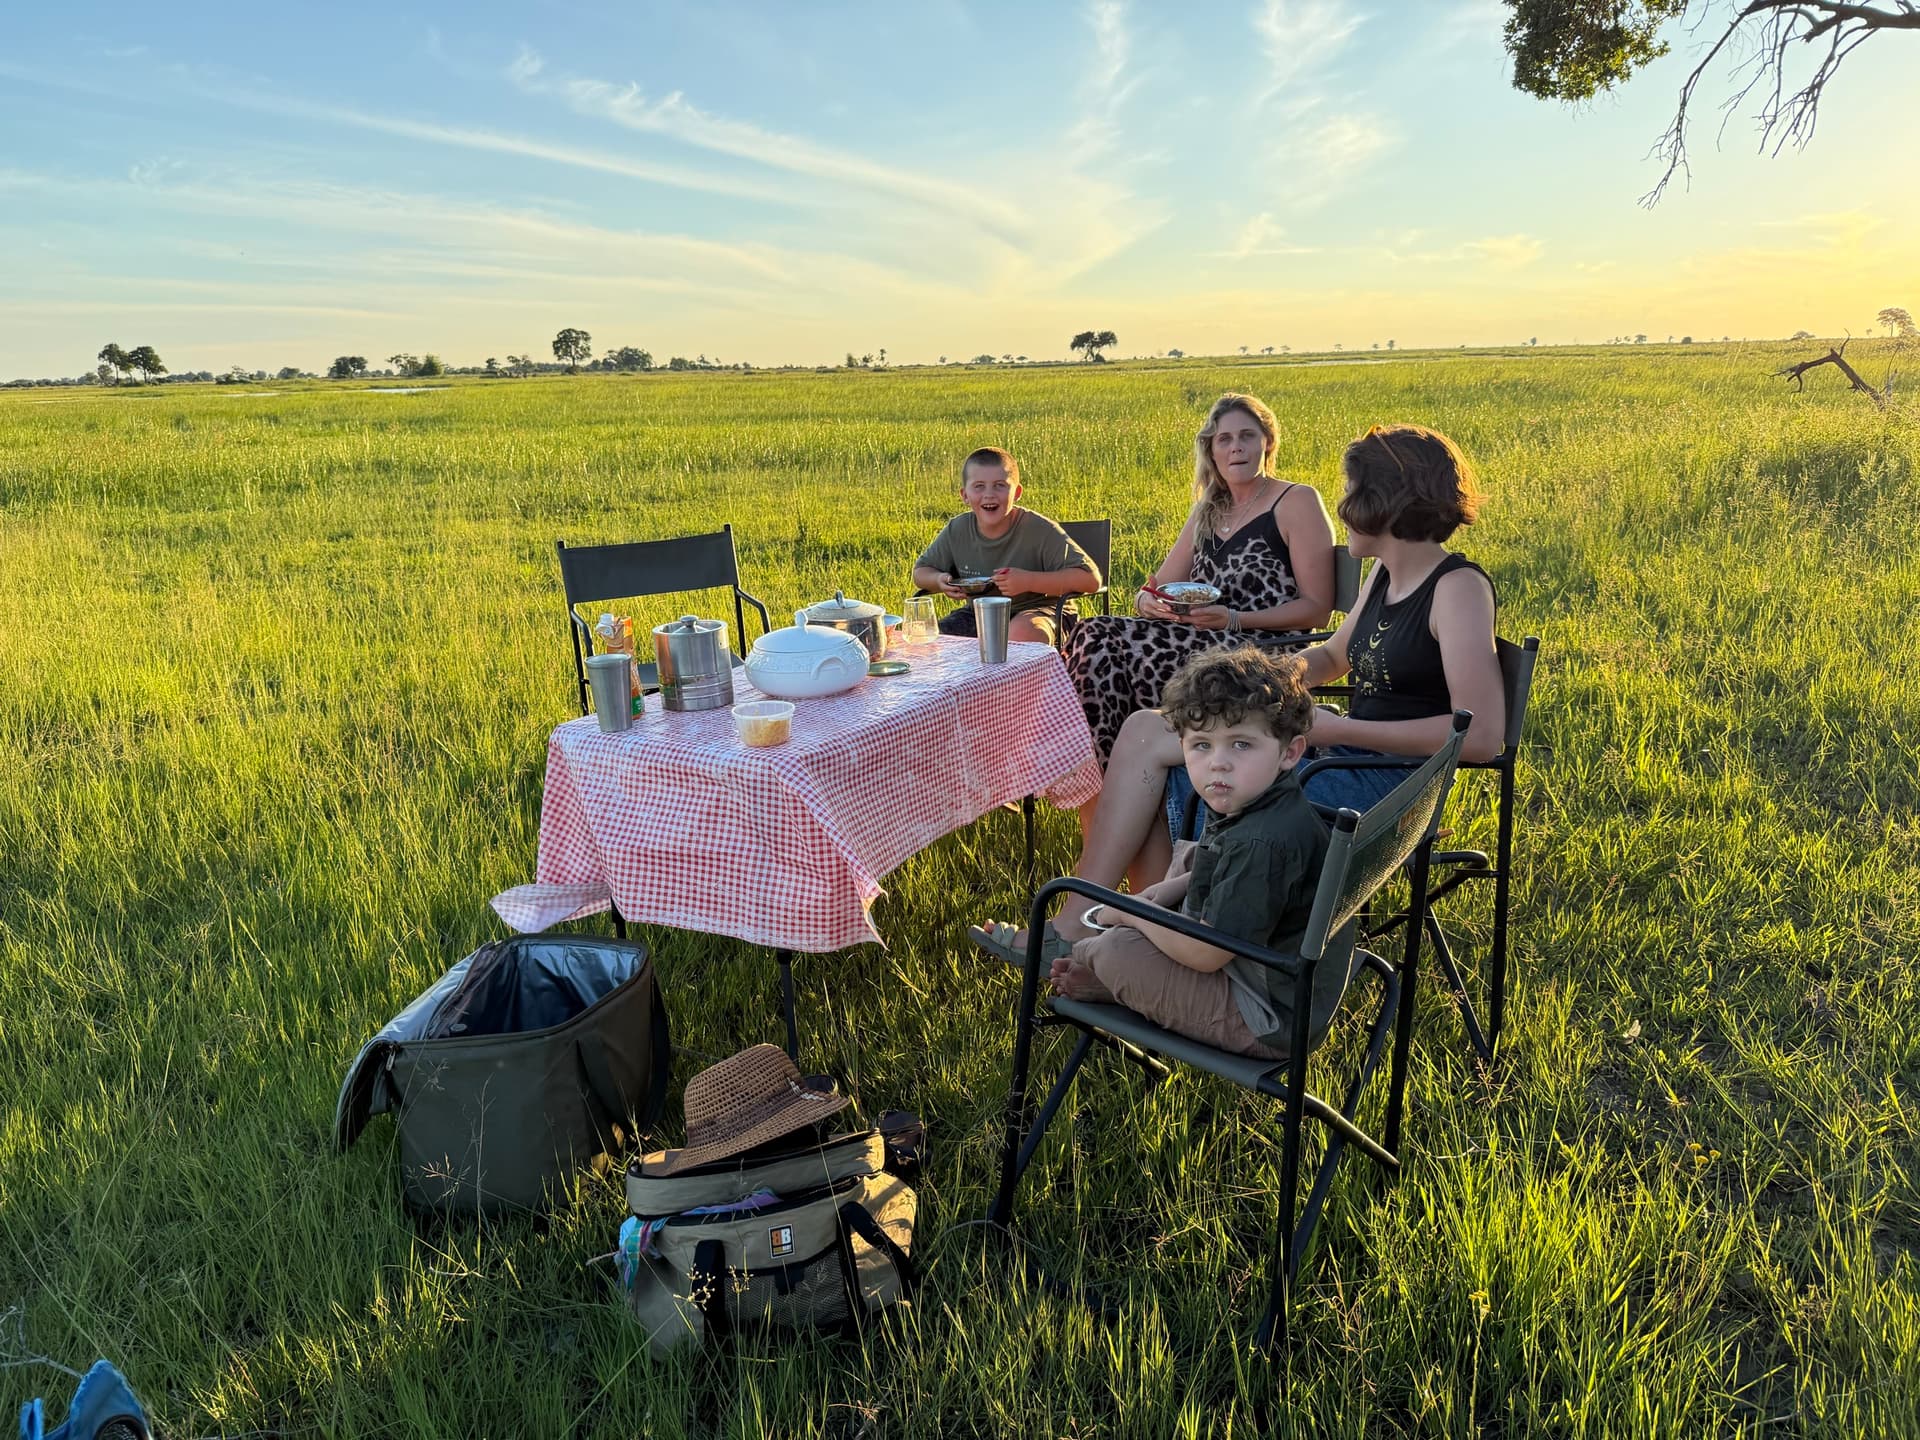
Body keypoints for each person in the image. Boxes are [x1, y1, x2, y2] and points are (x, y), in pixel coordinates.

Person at [1029, 422, 1504, 943]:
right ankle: (1114, 927)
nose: (1342, 506)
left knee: (1187, 768)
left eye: (1350, 490)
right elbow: (1331, 655)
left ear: (1383, 501)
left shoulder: (1457, 588)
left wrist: (1339, 729)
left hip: (1387, 786)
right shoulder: (1386, 576)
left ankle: (1139, 935)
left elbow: (1479, 738)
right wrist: (1259, 681)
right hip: (1342, 755)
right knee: (1146, 731)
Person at [973, 647, 1347, 1059]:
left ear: (1290, 752)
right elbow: (1222, 865)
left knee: (1111, 951)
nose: (1218, 764)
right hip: (1277, 974)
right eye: (1201, 745)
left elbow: (1207, 954)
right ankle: (1131, 970)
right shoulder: (1265, 800)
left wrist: (1130, 912)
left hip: (1266, 1017)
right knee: (1188, 863)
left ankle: (1107, 975)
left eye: (1240, 744)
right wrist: (1161, 895)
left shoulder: (1261, 841)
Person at [1063, 393, 1335, 761]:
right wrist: (1147, 602)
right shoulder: (1209, 508)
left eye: (1247, 436)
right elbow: (1154, 587)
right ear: (1212, 450)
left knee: (1116, 655)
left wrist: (1235, 619)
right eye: (1225, 439)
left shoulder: (1295, 500)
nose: (1236, 448)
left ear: (1267, 442)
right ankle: (1106, 768)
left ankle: (1120, 773)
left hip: (1266, 651)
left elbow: (1318, 609)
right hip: (1201, 638)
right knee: (1093, 632)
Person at [912, 446, 1101, 647]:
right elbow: (920, 573)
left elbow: (1090, 580)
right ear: (964, 495)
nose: (989, 495)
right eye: (979, 486)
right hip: (981, 615)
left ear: (1017, 492)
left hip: (1042, 612)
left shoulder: (1038, 529)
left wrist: (1029, 581)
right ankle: (971, 679)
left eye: (1000, 485)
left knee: (1020, 633)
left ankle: (1025, 678)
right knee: (932, 640)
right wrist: (940, 580)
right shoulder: (957, 530)